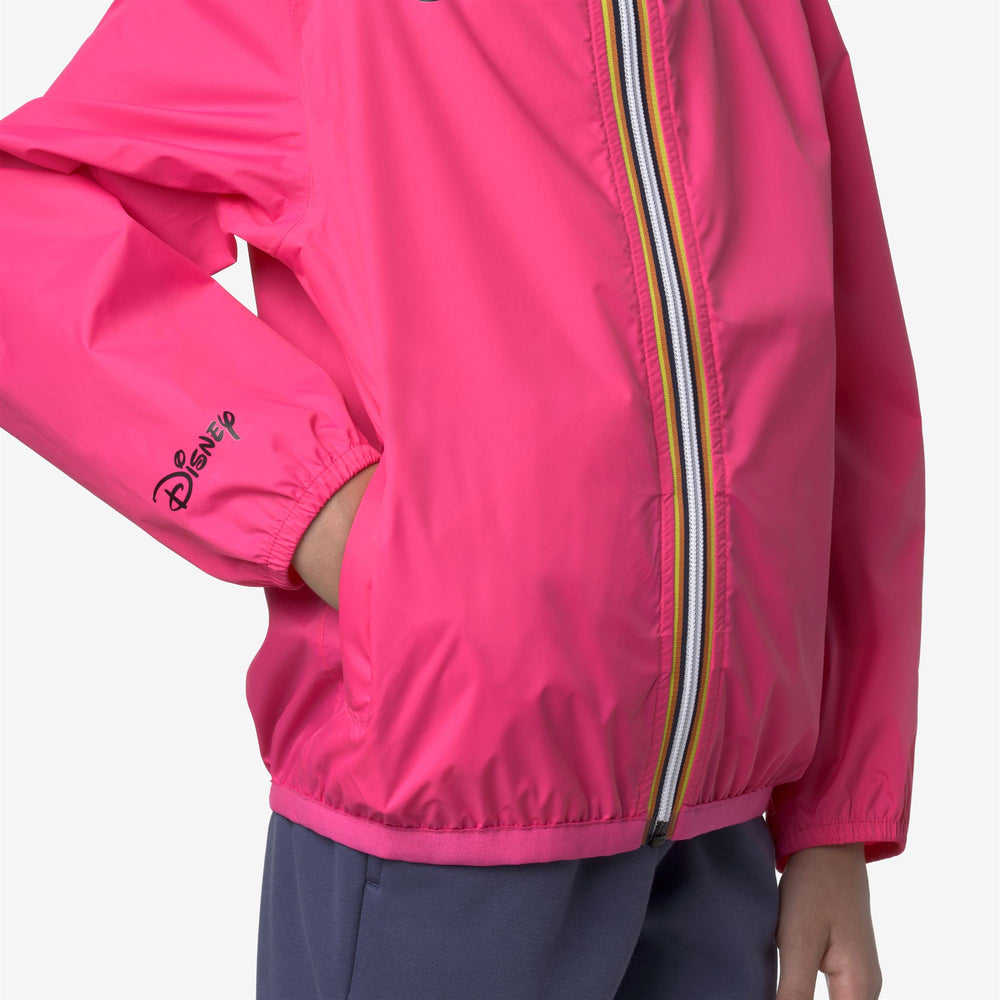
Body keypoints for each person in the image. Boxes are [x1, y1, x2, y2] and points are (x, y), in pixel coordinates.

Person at [0, 0, 924, 997]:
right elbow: (24, 232)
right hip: (436, 831)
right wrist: (308, 503)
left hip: (718, 842)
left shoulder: (766, 16)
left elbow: (847, 406)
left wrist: (831, 816)